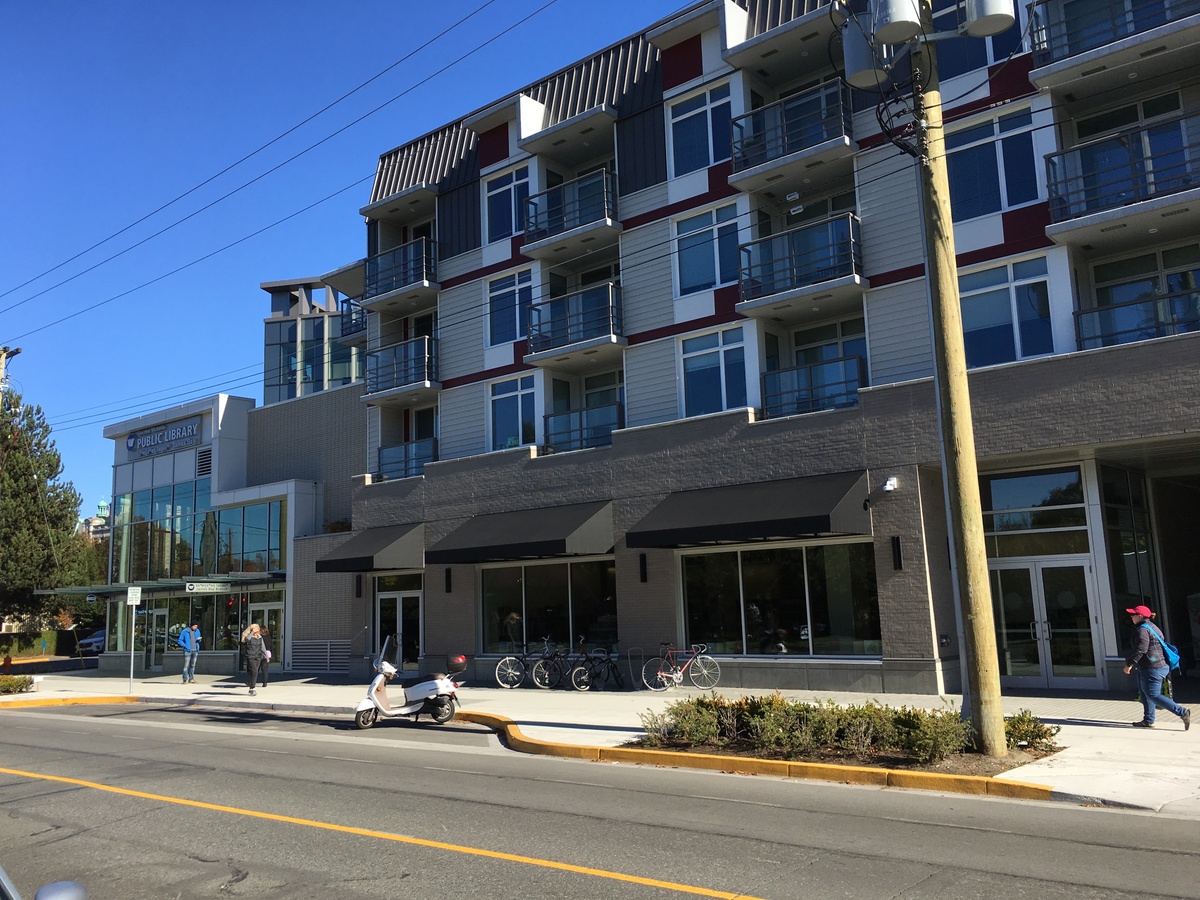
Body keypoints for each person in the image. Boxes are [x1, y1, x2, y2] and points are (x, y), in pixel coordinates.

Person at [1123, 605, 1191, 731]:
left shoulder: (1142, 630)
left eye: (1133, 615)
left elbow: (1141, 649)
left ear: (1140, 616)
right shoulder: (1152, 627)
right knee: (1145, 694)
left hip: (1152, 667)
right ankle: (1148, 720)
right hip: (1151, 666)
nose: (1131, 617)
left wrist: (1130, 664)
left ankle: (1182, 712)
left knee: (1153, 694)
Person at [241, 623, 267, 696]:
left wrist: (266, 656)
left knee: (254, 672)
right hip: (250, 656)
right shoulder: (249, 637)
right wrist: (252, 632)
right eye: (255, 628)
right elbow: (247, 639)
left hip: (258, 656)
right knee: (255, 671)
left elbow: (263, 647)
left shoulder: (260, 637)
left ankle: (251, 684)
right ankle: (252, 688)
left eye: (257, 628)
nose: (257, 629)